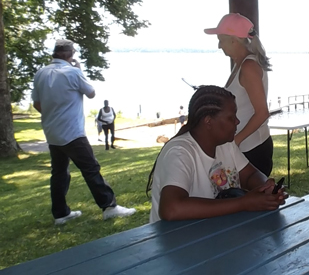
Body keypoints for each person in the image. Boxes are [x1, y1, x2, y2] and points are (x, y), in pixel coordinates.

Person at [31, 39, 136, 225]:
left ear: (54, 54)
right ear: (71, 56)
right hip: (72, 132)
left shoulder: (40, 73)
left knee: (59, 173)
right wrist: (79, 70)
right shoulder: (72, 72)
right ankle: (109, 207)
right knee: (91, 169)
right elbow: (91, 92)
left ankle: (60, 213)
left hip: (52, 133)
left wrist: (53, 117)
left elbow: (37, 104)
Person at [146, 86, 286, 223]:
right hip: (176, 240)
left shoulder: (225, 144)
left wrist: (266, 189)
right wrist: (243, 203)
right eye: (231, 117)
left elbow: (249, 175)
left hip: (214, 233)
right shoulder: (180, 152)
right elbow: (171, 209)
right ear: (208, 121)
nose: (237, 121)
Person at [204, 13, 274, 176]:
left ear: (233, 40)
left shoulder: (248, 66)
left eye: (221, 40)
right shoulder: (242, 64)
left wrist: (235, 141)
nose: (219, 46)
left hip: (252, 149)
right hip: (246, 147)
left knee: (249, 200)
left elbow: (262, 112)